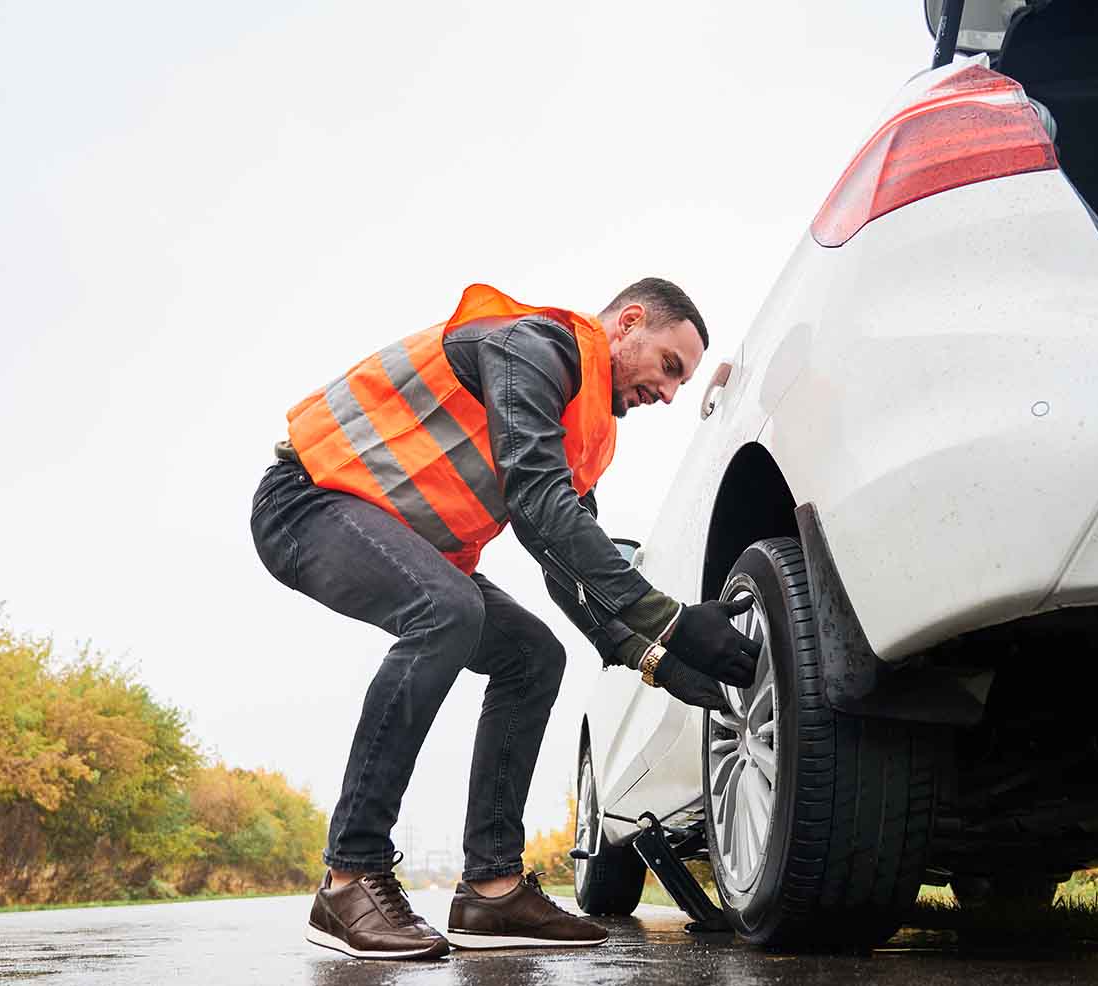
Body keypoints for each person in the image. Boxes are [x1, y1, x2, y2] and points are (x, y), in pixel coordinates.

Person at [250, 278, 761, 960]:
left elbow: (569, 569)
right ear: (628, 322)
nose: (668, 394)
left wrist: (660, 661)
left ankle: (491, 893)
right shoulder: (534, 348)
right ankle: (349, 878)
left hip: (392, 535)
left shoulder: (582, 432)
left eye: (679, 381)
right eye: (669, 367)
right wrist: (671, 620)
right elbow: (537, 503)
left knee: (532, 656)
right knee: (447, 610)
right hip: (305, 501)